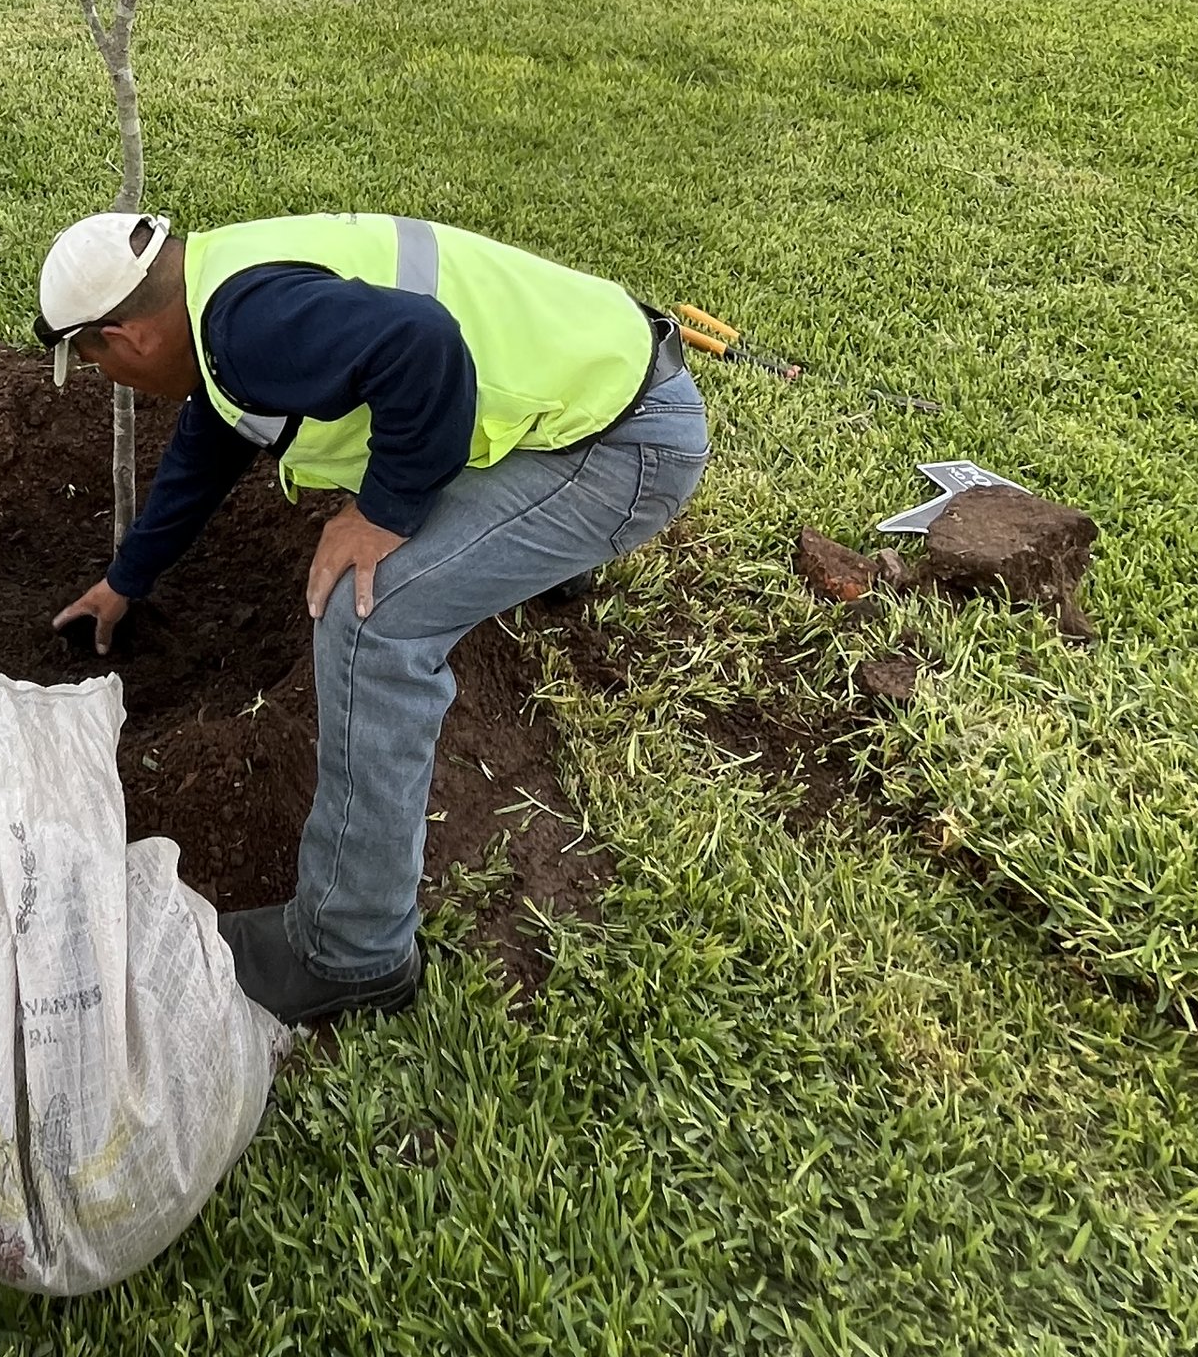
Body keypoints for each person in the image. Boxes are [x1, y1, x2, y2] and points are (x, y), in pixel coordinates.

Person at [35, 209, 709, 1026]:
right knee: (400, 546)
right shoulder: (225, 286)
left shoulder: (248, 327)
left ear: (125, 337)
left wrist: (383, 511)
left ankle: (353, 951)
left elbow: (421, 344)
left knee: (372, 613)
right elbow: (213, 439)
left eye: (97, 362)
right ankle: (540, 555)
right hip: (597, 375)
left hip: (621, 446)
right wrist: (126, 577)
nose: (109, 380)